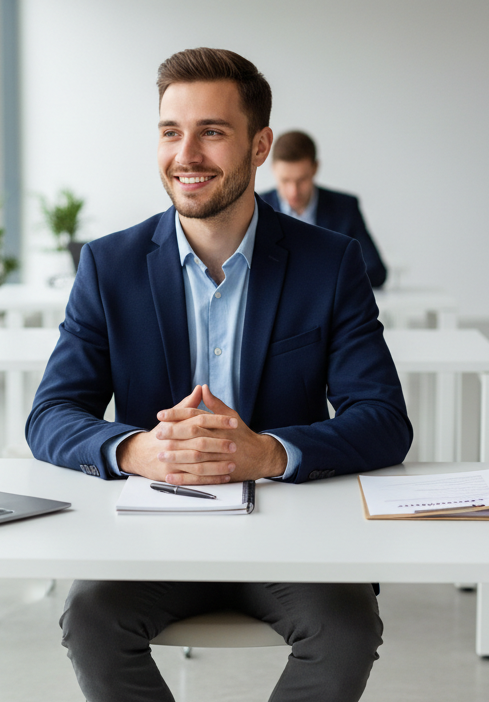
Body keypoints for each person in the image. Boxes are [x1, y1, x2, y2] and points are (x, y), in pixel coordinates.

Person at [26, 47, 412, 702]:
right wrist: (134, 449)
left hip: (290, 530)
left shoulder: (329, 264)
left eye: (212, 131)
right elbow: (51, 416)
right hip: (153, 531)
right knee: (90, 622)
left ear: (259, 145)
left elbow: (383, 422)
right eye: (171, 131)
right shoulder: (108, 266)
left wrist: (266, 452)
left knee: (345, 630)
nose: (187, 154)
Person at [259, 131, 388, 288]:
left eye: (302, 180)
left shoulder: (345, 208)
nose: (294, 191)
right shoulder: (255, 208)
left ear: (315, 168)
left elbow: (376, 271)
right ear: (274, 170)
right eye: (285, 180)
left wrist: (326, 282)